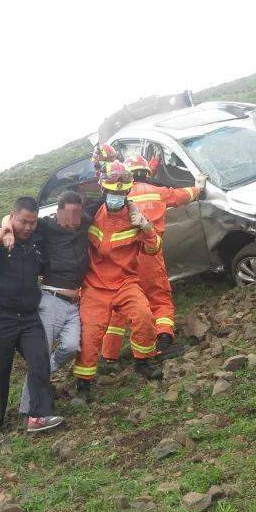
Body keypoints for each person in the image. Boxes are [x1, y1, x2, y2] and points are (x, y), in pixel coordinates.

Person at [0, 196, 64, 438]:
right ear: (12, 216)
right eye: (23, 222)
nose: (28, 227)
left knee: (40, 359)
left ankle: (38, 415)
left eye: (33, 222)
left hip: (27, 315)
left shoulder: (37, 240)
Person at [99, 153, 204, 367]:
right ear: (147, 173)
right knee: (159, 300)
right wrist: (199, 186)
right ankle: (163, 340)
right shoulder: (158, 192)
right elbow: (185, 195)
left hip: (124, 261)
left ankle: (108, 356)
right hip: (150, 254)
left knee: (119, 308)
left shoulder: (120, 196)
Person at [72, 161, 163, 403]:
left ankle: (143, 361)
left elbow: (153, 250)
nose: (117, 197)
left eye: (122, 193)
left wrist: (146, 227)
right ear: (104, 190)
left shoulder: (135, 218)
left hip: (126, 283)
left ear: (127, 192)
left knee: (144, 316)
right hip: (94, 285)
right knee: (89, 334)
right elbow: (61, 224)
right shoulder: (90, 214)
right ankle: (84, 384)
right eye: (113, 192)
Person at [13, 191, 93, 416]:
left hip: (74, 302)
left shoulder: (83, 222)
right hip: (51, 300)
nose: (71, 223)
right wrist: (5, 230)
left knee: (70, 346)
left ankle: (45, 371)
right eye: (66, 217)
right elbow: (15, 220)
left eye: (75, 218)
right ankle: (28, 409)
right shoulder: (45, 226)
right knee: (41, 353)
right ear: (58, 212)